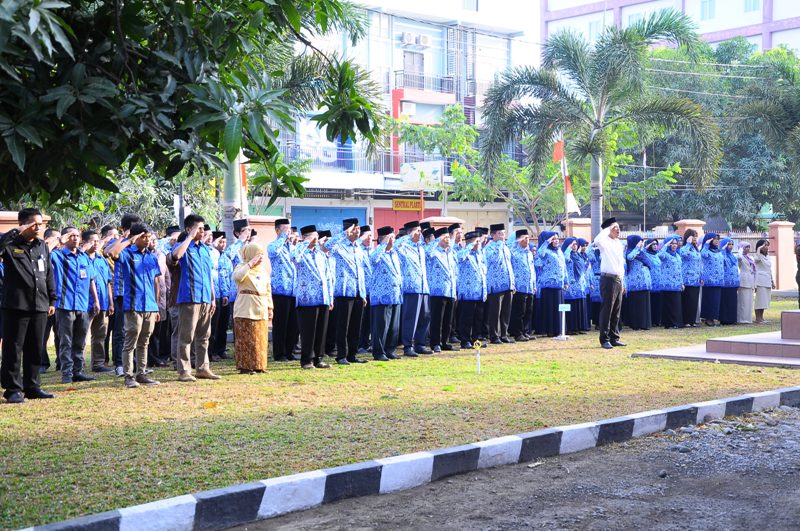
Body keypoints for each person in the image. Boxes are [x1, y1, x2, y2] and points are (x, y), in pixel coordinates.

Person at [0, 208, 56, 403]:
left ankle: (32, 386)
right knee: (13, 349)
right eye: (34, 224)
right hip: (16, 306)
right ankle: (12, 389)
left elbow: (48, 273)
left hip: (39, 304)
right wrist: (16, 231)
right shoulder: (9, 244)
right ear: (23, 224)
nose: (38, 227)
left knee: (35, 347)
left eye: (40, 224)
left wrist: (52, 299)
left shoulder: (42, 246)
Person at [169, 215, 221, 381]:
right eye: (198, 228)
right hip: (189, 297)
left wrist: (212, 298)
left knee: (204, 336)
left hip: (205, 297)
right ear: (189, 229)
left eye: (202, 228)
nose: (202, 231)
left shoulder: (205, 249)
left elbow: (208, 275)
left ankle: (202, 368)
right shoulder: (183, 246)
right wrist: (189, 237)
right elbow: (175, 257)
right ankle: (184, 370)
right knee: (186, 336)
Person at [51, 226, 100, 384]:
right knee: (66, 341)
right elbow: (46, 251)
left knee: (80, 341)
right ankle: (67, 373)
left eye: (77, 236)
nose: (75, 238)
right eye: (71, 236)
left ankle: (78, 372)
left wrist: (96, 300)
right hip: (65, 305)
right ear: (65, 238)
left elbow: (91, 279)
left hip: (82, 305)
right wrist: (59, 240)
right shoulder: (58, 256)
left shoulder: (84, 257)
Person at [116, 224, 162, 388]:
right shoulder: (127, 254)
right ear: (135, 238)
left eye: (149, 236)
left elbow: (156, 282)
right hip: (133, 305)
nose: (148, 239)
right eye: (144, 236)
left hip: (150, 305)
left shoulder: (151, 256)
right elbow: (111, 253)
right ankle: (128, 376)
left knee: (144, 342)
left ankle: (141, 373)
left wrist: (156, 306)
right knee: (130, 342)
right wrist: (128, 240)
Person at [105, 213, 142, 376]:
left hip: (137, 292)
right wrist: (125, 238)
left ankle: (134, 363)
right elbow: (107, 252)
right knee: (120, 330)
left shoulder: (138, 244)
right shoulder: (118, 242)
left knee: (136, 330)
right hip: (121, 292)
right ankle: (119, 364)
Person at [327, 218, 369, 365]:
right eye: (355, 228)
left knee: (355, 326)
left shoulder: (358, 247)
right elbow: (327, 246)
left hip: (357, 291)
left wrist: (363, 293)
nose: (358, 231)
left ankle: (352, 354)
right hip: (344, 291)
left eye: (358, 228)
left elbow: (361, 271)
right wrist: (343, 234)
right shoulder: (339, 245)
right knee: (343, 326)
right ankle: (341, 355)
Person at [292, 225, 333, 369]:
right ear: (304, 237)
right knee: (308, 331)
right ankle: (307, 360)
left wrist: (330, 296)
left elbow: (328, 276)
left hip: (323, 297)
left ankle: (319, 358)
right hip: (307, 298)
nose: (315, 239)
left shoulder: (321, 254)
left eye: (316, 236)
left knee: (321, 330)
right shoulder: (300, 251)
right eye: (312, 236)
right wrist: (305, 243)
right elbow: (294, 256)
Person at [232, 243, 273, 373]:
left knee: (260, 337)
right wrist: (249, 264)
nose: (260, 258)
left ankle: (259, 365)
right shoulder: (241, 266)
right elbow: (238, 277)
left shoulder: (262, 271)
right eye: (257, 255)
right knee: (246, 337)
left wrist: (270, 307)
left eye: (261, 255)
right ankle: (245, 366)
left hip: (261, 306)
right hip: (246, 306)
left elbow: (268, 290)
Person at [395, 220, 431, 357]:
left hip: (423, 286)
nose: (420, 234)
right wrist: (408, 236)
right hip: (411, 287)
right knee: (410, 318)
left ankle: (420, 343)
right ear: (410, 232)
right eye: (417, 231)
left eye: (420, 231)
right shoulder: (403, 246)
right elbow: (395, 245)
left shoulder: (421, 247)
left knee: (425, 316)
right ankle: (408, 345)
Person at [266, 218, 299, 362]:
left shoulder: (292, 247)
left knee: (294, 324)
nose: (288, 233)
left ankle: (290, 351)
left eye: (289, 230)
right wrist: (284, 237)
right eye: (285, 229)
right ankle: (279, 353)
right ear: (278, 230)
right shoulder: (273, 245)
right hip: (280, 291)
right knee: (280, 324)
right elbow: (273, 253)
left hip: (294, 290)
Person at [369, 226, 403, 361]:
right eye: (391, 237)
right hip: (382, 295)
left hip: (396, 294)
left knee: (394, 327)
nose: (393, 240)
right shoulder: (377, 253)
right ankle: (379, 352)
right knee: (381, 327)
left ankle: (390, 350)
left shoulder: (394, 254)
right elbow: (373, 260)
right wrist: (383, 244)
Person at [83, 230, 115, 373]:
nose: (96, 244)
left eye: (97, 241)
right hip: (85, 303)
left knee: (100, 335)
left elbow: (108, 282)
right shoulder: (81, 258)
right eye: (92, 241)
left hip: (102, 303)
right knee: (82, 335)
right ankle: (79, 365)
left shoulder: (101, 259)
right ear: (84, 242)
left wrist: (111, 302)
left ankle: (98, 363)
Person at [594, 218, 626, 349]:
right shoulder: (604, 242)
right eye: (615, 228)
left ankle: (614, 337)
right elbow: (597, 240)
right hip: (608, 279)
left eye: (619, 227)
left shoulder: (619, 243)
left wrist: (623, 281)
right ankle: (604, 338)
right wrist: (608, 228)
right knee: (607, 309)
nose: (618, 230)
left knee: (616, 311)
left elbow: (621, 264)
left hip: (618, 279)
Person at [427, 227, 459, 353]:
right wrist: (435, 242)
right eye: (445, 237)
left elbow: (454, 272)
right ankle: (435, 343)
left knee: (448, 319)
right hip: (438, 290)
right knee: (437, 319)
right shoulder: (434, 252)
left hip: (450, 290)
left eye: (448, 237)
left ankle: (445, 341)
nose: (448, 240)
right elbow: (427, 252)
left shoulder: (450, 253)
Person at [484, 223, 515, 344]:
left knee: (506, 311)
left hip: (508, 283)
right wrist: (497, 247)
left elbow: (509, 265)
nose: (503, 236)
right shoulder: (489, 248)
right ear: (493, 235)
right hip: (495, 284)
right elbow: (491, 260)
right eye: (500, 234)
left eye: (503, 233)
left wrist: (513, 282)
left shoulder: (506, 247)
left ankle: (504, 334)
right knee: (495, 311)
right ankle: (494, 335)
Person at [456, 231, 487, 349]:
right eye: (476, 241)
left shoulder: (480, 254)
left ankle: (476, 339)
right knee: (466, 318)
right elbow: (459, 258)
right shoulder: (464, 253)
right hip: (468, 292)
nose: (479, 244)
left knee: (478, 318)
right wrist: (470, 246)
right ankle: (465, 340)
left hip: (479, 291)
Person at [534, 231, 567, 338]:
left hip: (559, 284)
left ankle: (559, 329)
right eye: (553, 239)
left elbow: (564, 267)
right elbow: (540, 253)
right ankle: (549, 330)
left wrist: (565, 281)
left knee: (558, 308)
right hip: (548, 284)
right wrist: (546, 242)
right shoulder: (546, 251)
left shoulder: (560, 252)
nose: (556, 241)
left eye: (557, 239)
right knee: (549, 308)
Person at [509, 229, 536, 341]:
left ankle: (525, 331)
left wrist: (534, 284)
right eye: (524, 238)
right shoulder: (513, 251)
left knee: (528, 310)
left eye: (528, 238)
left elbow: (532, 269)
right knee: (519, 311)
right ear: (518, 239)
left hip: (529, 286)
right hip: (519, 286)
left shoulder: (529, 253)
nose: (527, 240)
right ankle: (517, 332)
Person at [209, 231, 232, 361]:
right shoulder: (212, 255)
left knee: (223, 324)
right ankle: (211, 352)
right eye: (220, 242)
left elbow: (228, 277)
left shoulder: (226, 257)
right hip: (215, 294)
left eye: (224, 242)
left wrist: (226, 294)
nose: (223, 244)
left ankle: (221, 349)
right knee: (214, 325)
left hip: (225, 294)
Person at [623, 235, 653, 331]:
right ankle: (636, 324)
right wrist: (636, 247)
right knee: (637, 304)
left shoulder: (641, 252)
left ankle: (645, 324)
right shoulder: (629, 252)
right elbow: (630, 257)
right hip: (635, 283)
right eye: (639, 242)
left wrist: (641, 248)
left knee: (645, 303)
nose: (641, 244)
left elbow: (649, 261)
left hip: (644, 282)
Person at [657, 235, 684, 329]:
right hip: (667, 284)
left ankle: (676, 323)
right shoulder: (665, 255)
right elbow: (659, 255)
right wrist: (665, 245)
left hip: (676, 284)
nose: (674, 245)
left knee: (676, 304)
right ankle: (669, 324)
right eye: (672, 243)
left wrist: (682, 283)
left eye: (675, 243)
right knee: (668, 304)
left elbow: (680, 269)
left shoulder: (677, 255)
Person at [562, 237, 587, 334]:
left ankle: (577, 327)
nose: (574, 246)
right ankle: (570, 328)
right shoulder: (567, 255)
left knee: (578, 305)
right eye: (572, 244)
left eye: (576, 244)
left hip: (579, 284)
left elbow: (584, 267)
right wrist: (568, 248)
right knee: (571, 306)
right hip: (571, 285)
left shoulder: (578, 255)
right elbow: (565, 258)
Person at [679, 229, 702, 328]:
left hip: (696, 279)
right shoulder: (684, 248)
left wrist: (701, 276)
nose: (695, 238)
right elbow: (683, 254)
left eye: (696, 236)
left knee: (694, 301)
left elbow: (699, 264)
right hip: (687, 278)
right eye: (693, 236)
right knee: (687, 300)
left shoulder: (696, 249)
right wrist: (688, 244)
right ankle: (686, 320)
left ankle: (692, 320)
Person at [700, 233, 724, 327]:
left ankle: (713, 318)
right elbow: (702, 254)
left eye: (718, 239)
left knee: (716, 301)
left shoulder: (718, 251)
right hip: (709, 280)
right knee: (709, 300)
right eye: (714, 239)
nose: (717, 240)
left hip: (718, 280)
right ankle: (708, 319)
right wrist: (706, 244)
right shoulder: (706, 250)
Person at [357, 225, 373, 354]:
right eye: (367, 236)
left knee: (369, 319)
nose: (369, 238)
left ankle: (366, 343)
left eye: (371, 236)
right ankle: (360, 344)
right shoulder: (358, 250)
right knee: (360, 320)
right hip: (362, 290)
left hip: (372, 290)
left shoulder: (372, 251)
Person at [719, 238, 740, 326]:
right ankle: (724, 319)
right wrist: (723, 250)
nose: (731, 246)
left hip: (733, 283)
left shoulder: (733, 256)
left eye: (732, 244)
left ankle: (732, 318)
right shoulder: (721, 254)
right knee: (725, 301)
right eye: (728, 244)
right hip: (725, 282)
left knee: (732, 301)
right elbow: (722, 262)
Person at [753, 238, 774, 323]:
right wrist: (759, 249)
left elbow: (769, 269)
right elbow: (756, 259)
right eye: (764, 245)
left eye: (767, 245)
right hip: (760, 280)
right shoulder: (757, 256)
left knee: (765, 300)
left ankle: (762, 317)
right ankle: (758, 318)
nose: (767, 247)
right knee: (760, 300)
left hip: (767, 279)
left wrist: (772, 281)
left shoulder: (768, 256)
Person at [737, 242, 756, 324]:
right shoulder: (740, 257)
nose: (748, 249)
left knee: (749, 301)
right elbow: (739, 259)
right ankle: (741, 318)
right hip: (744, 280)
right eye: (745, 247)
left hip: (751, 280)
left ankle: (748, 318)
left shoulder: (750, 257)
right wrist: (740, 251)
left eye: (748, 247)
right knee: (743, 301)